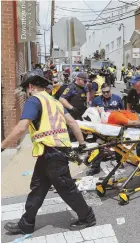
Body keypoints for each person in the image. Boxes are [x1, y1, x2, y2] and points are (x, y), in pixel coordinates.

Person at [1, 70, 96, 234]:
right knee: (38, 187)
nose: (26, 91)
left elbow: (22, 127)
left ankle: (87, 217)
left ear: (30, 86)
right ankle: (26, 223)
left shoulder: (34, 100)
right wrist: (81, 144)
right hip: (51, 152)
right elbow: (73, 123)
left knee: (66, 188)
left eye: (26, 88)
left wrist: (3, 145)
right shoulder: (55, 102)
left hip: (53, 153)